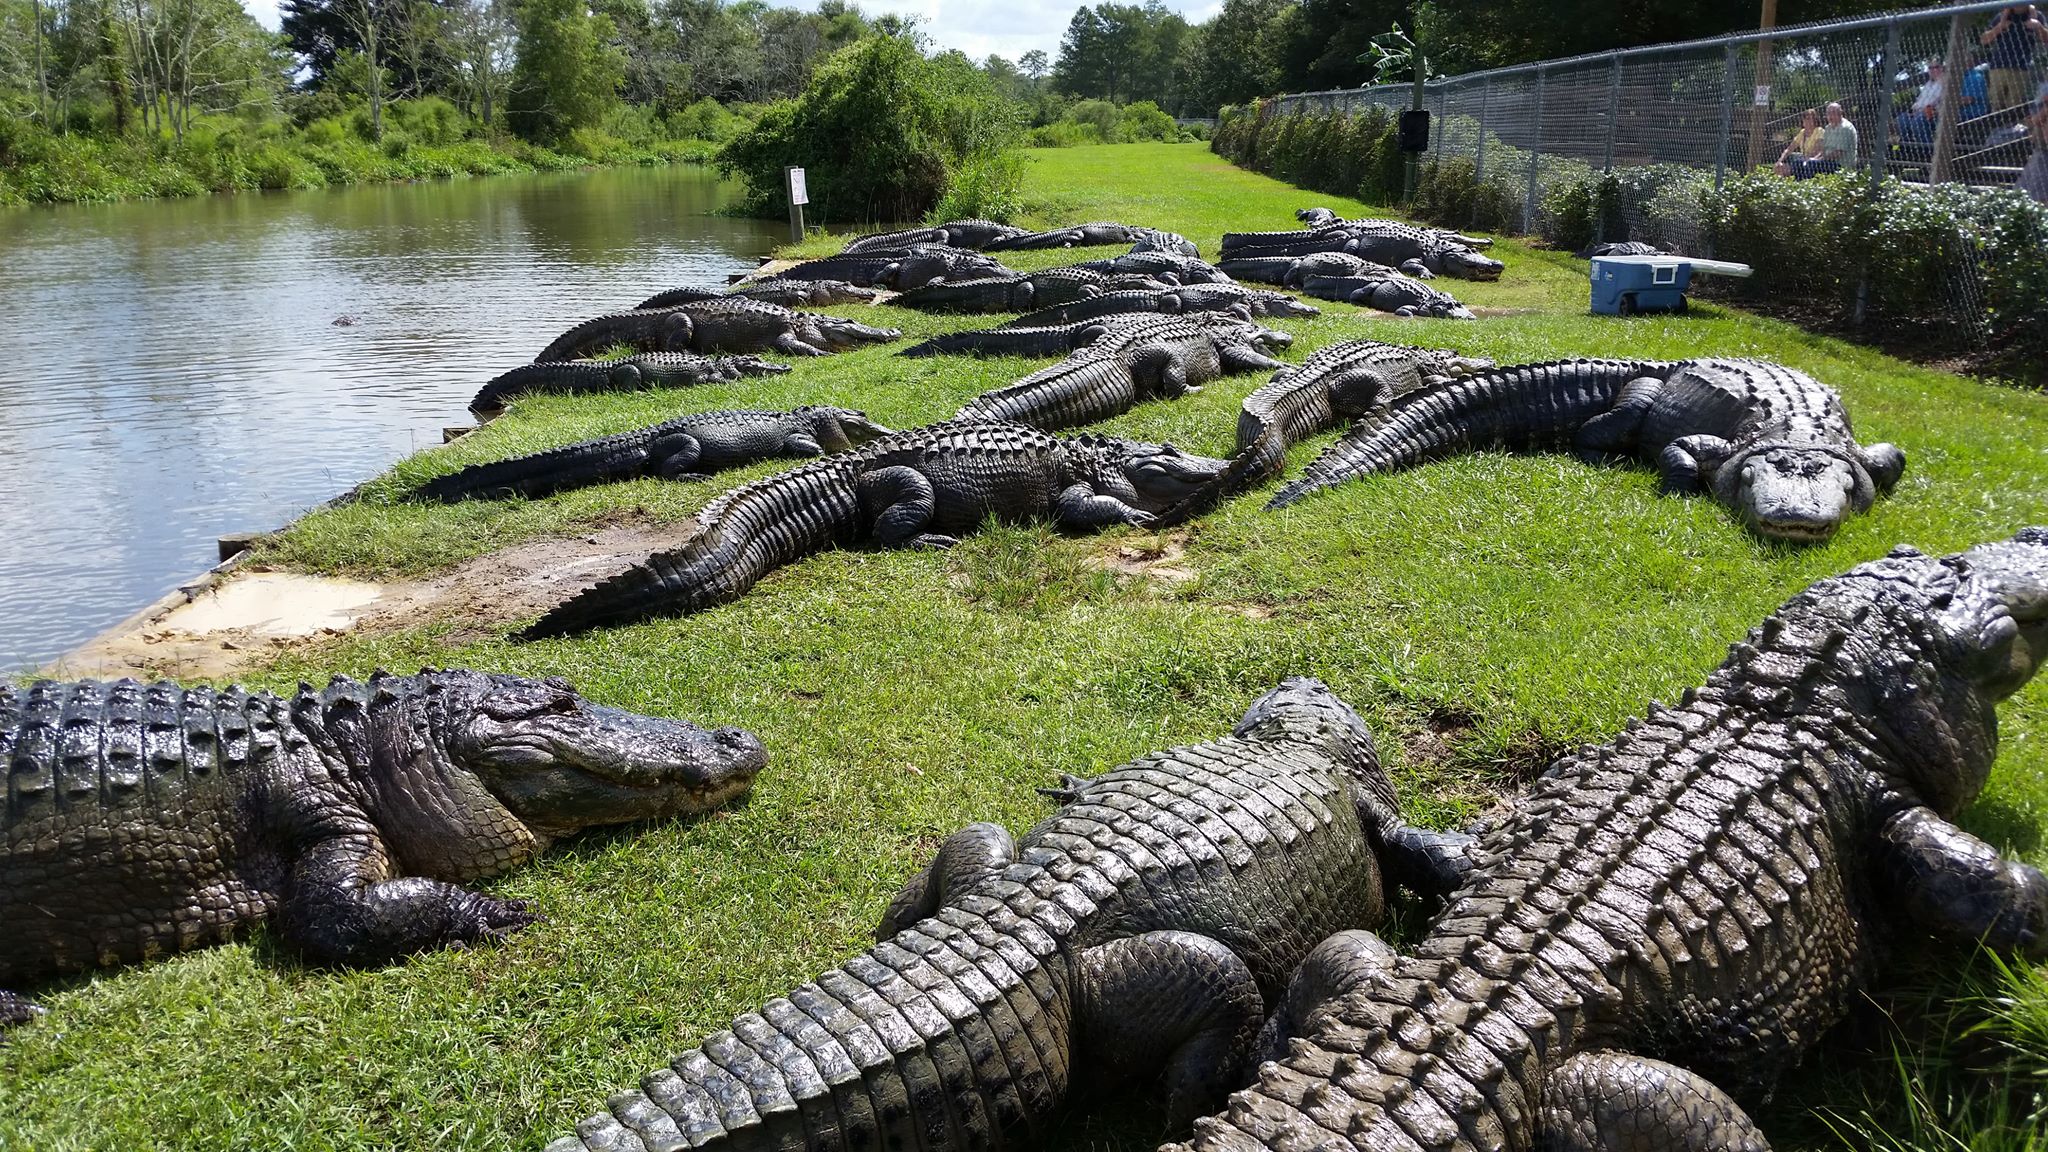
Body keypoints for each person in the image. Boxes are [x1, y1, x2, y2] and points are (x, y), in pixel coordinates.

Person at [1981, 4, 2048, 111]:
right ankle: (1997, 127)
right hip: (1998, 66)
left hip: (2021, 67)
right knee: (1996, 104)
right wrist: (2000, 27)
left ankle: (2012, 127)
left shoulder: (2036, 15)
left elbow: (2046, 39)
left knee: (2014, 106)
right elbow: (1984, 40)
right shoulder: (2002, 16)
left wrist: (2038, 26)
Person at [1792, 102, 1858, 178]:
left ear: (1840, 113)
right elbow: (1823, 149)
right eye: (1828, 113)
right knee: (1799, 162)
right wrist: (1814, 159)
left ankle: (1810, 184)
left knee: (1810, 165)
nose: (1830, 116)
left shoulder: (1845, 128)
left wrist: (1819, 160)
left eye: (1833, 113)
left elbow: (1838, 153)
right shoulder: (1828, 128)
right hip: (1827, 161)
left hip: (1841, 164)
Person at [1896, 60, 1946, 145]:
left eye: (1936, 67)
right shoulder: (1928, 84)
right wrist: (1914, 109)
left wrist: (1922, 109)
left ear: (1941, 68)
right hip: (1920, 111)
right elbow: (1919, 100)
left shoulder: (1945, 83)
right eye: (1930, 68)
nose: (1933, 70)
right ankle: (1906, 147)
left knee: (1917, 122)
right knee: (1902, 119)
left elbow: (1937, 100)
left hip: (1934, 112)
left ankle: (1927, 149)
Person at [1775, 108, 1825, 176]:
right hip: (1802, 159)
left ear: (1815, 120)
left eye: (1811, 119)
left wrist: (1804, 159)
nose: (1808, 121)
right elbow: (1789, 149)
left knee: (1789, 168)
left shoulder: (1819, 131)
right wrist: (1780, 161)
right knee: (1781, 166)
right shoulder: (1802, 132)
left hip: (1814, 160)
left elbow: (1817, 151)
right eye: (1806, 118)